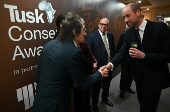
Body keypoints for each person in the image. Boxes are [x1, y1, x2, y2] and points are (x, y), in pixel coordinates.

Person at [31, 12, 109, 112]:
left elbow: (38, 75)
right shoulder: (75, 53)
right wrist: (100, 73)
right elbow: (83, 83)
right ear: (74, 32)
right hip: (57, 106)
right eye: (83, 30)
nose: (85, 33)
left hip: (41, 102)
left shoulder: (48, 45)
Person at [106, 3, 170, 112]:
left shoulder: (159, 28)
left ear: (138, 12)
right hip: (139, 79)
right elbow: (122, 52)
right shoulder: (128, 33)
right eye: (124, 17)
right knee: (142, 105)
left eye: (128, 16)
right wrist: (110, 65)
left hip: (154, 79)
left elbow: (168, 55)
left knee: (149, 108)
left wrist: (144, 56)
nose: (125, 20)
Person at [87, 18, 115, 112]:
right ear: (98, 25)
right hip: (98, 69)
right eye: (101, 24)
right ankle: (94, 103)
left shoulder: (110, 36)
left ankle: (105, 98)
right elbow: (89, 54)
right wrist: (93, 67)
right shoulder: (92, 37)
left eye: (105, 25)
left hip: (109, 66)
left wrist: (111, 64)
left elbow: (112, 50)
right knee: (96, 88)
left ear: (108, 26)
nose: (103, 26)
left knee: (107, 84)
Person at [115, 31, 135, 99]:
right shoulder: (124, 34)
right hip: (125, 60)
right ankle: (122, 91)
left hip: (133, 60)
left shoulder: (137, 34)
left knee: (131, 75)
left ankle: (128, 87)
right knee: (124, 76)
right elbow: (119, 46)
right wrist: (116, 58)